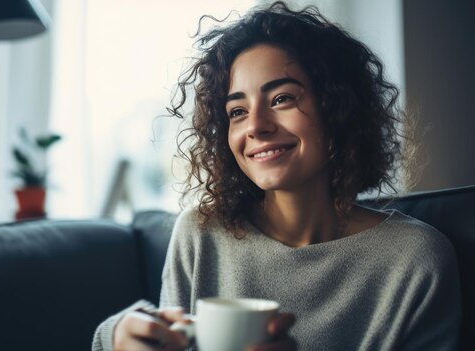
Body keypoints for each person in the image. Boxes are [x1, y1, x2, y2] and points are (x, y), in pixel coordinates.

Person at [92, 2, 461, 350]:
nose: (255, 126)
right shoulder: (201, 235)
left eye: (282, 99)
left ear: (338, 108)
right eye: (237, 110)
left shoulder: (415, 261)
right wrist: (115, 339)